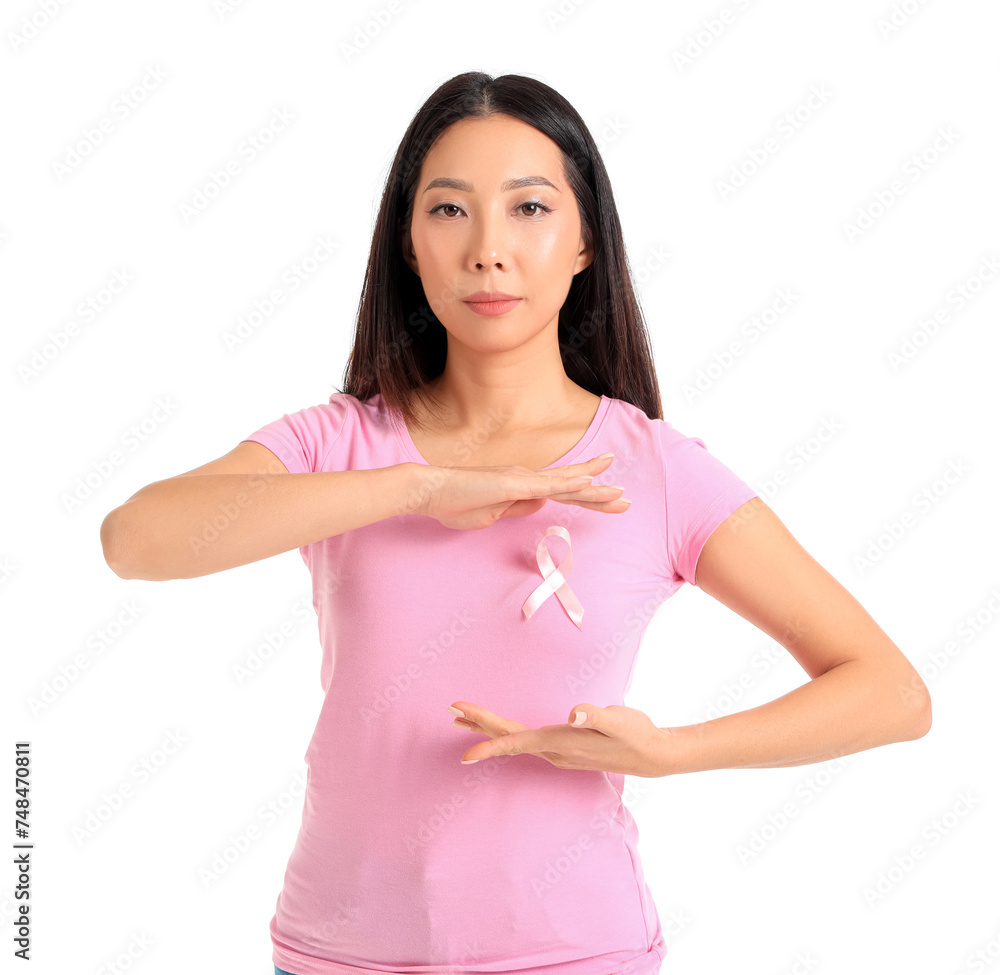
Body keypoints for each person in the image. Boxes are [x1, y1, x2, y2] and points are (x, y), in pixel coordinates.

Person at [100, 71, 932, 975]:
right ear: (409, 245)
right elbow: (135, 540)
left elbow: (891, 691)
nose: (488, 250)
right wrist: (415, 486)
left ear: (584, 242)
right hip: (335, 954)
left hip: (576, 954)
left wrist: (672, 752)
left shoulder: (654, 469)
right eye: (450, 211)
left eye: (530, 208)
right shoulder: (337, 442)